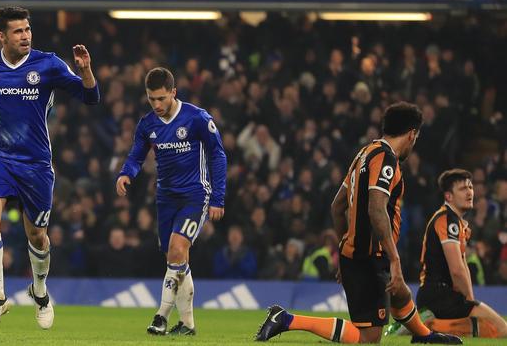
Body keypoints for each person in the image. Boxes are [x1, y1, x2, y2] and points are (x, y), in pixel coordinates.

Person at [0, 6, 99, 329]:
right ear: (2, 36)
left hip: (36, 164)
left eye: (27, 30)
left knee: (38, 237)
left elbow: (90, 97)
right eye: (18, 31)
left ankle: (39, 292)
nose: (25, 36)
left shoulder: (48, 64)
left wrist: (86, 71)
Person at [255, 102, 461, 344]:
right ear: (412, 134)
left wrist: (346, 249)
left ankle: (425, 336)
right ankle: (287, 319)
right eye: (415, 138)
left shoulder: (365, 153)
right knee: (369, 338)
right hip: (370, 257)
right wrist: (394, 260)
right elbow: (376, 208)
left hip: (357, 253)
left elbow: (337, 207)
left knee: (400, 292)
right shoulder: (386, 159)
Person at [116, 67, 226, 336]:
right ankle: (188, 325)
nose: (157, 105)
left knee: (177, 249)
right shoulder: (148, 125)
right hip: (165, 198)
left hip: (195, 196)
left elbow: (217, 155)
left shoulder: (197, 118)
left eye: (162, 99)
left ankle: (160, 316)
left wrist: (218, 197)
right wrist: (125, 173)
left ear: (173, 93)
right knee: (176, 260)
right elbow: (136, 156)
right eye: (152, 99)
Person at [414, 169, 507, 338]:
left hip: (440, 295)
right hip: (438, 295)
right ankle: (425, 325)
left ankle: (425, 324)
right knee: (501, 329)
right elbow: (457, 270)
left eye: (470, 187)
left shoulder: (457, 222)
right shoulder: (448, 220)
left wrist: (469, 302)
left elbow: (463, 268)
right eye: (463, 188)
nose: (470, 192)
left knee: (484, 329)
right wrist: (470, 304)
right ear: (449, 196)